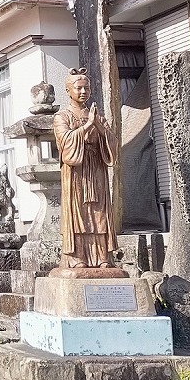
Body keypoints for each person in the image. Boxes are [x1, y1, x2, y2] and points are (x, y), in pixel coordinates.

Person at [53, 68, 119, 270]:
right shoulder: (62, 117)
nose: (83, 92)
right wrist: (86, 127)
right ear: (68, 90)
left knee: (99, 213)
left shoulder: (97, 115)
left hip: (96, 168)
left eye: (87, 88)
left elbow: (112, 144)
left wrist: (97, 125)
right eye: (79, 88)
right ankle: (77, 256)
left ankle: (102, 256)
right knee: (79, 213)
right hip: (76, 172)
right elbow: (65, 142)